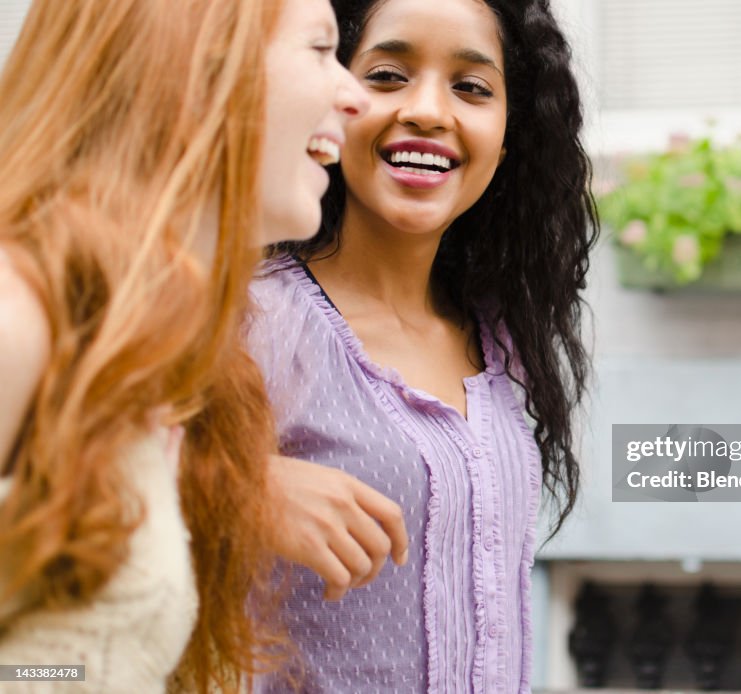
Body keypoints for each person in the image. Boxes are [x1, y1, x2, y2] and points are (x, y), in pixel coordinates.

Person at [0, 0, 386, 691]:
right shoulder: (17, 310)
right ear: (205, 63)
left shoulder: (165, 354)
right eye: (320, 48)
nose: (355, 93)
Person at [246, 0, 598, 689]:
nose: (430, 111)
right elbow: (77, 493)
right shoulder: (256, 319)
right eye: (387, 75)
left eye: (472, 87)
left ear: (510, 132)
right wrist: (237, 488)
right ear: (332, 96)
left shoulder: (499, 339)